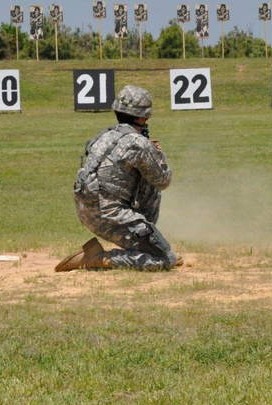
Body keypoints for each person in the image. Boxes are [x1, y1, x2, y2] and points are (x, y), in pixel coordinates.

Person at [55, 85, 179, 272]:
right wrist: (158, 155)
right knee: (166, 260)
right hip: (110, 215)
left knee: (163, 253)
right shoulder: (138, 143)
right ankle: (97, 257)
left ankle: (148, 245)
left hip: (88, 209)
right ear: (143, 117)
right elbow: (163, 180)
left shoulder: (105, 135)